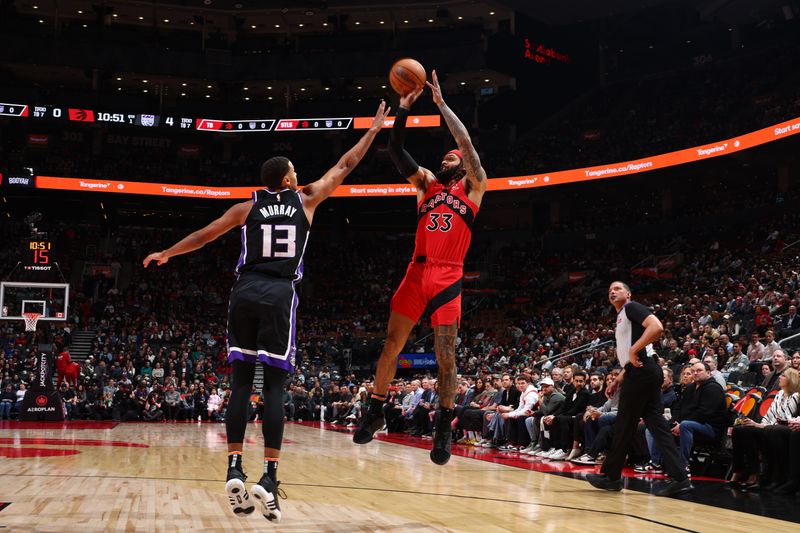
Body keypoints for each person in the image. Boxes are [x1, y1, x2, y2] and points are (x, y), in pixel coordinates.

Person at [143, 101, 390, 522]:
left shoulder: (247, 207)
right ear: (289, 178)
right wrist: (373, 131)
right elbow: (345, 165)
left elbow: (204, 236)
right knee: (274, 387)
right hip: (278, 294)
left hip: (243, 291)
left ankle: (234, 466)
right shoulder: (307, 198)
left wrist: (167, 252)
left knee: (241, 384)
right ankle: (269, 476)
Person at [353, 70, 488, 467]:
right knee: (390, 345)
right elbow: (397, 151)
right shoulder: (426, 184)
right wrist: (403, 109)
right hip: (416, 271)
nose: (443, 158)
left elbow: (466, 144)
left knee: (446, 355)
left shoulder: (474, 185)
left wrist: (443, 106)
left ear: (461, 165)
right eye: (443, 156)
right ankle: (375, 409)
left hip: (448, 274)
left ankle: (444, 424)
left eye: (450, 157)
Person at [586, 282, 692, 496]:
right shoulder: (621, 317)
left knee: (624, 423)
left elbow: (657, 327)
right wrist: (618, 380)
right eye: (609, 291)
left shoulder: (631, 307)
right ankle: (680, 478)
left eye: (617, 288)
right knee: (657, 425)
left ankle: (611, 476)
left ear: (628, 293)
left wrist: (635, 348)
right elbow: (630, 359)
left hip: (643, 371)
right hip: (643, 370)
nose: (612, 292)